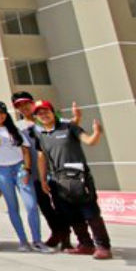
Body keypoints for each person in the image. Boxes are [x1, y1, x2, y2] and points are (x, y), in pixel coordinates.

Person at [32, 100, 112, 259]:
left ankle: (103, 246)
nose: (44, 115)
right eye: (39, 113)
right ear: (36, 117)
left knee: (91, 213)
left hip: (79, 178)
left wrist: (97, 133)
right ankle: (85, 244)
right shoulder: (40, 135)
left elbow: (89, 141)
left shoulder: (69, 127)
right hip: (58, 180)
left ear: (53, 112)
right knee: (72, 215)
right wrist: (43, 180)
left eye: (46, 111)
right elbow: (41, 158)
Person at [13, 91, 79, 250]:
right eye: (19, 106)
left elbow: (69, 129)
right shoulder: (18, 127)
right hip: (35, 174)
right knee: (45, 207)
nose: (24, 108)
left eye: (26, 103)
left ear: (33, 103)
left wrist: (77, 119)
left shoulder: (46, 120)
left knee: (61, 205)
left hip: (56, 172)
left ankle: (66, 238)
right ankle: (57, 233)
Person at [0, 100, 49, 253]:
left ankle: (37, 240)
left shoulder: (14, 130)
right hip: (1, 171)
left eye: (2, 112)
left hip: (19, 168)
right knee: (13, 207)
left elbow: (25, 151)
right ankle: (23, 241)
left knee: (31, 205)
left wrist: (26, 169)